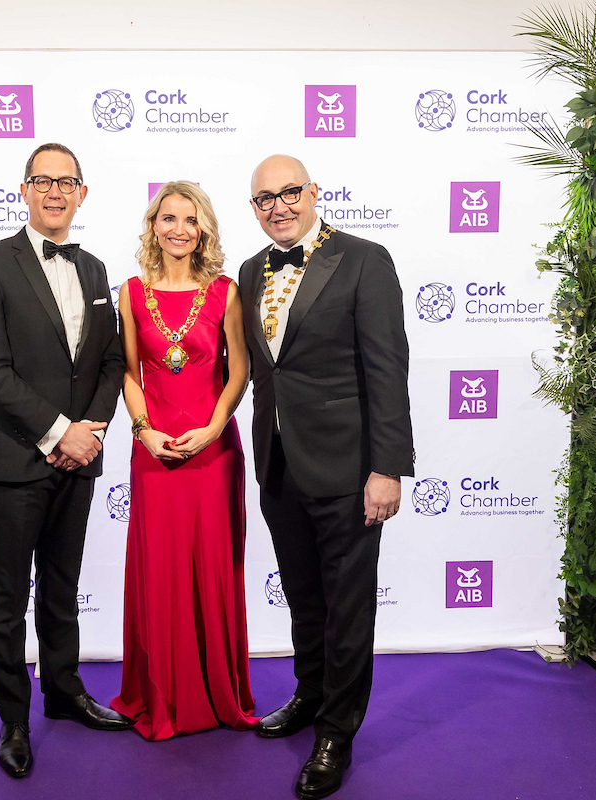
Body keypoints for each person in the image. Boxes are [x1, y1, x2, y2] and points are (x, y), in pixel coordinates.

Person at [238, 156, 414, 800]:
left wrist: (387, 468)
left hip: (348, 468)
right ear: (253, 208)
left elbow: (387, 369)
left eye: (289, 192)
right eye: (264, 198)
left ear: (314, 192)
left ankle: (337, 733)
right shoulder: (250, 272)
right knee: (304, 597)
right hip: (279, 462)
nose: (278, 206)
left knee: (347, 607)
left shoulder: (365, 260)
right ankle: (309, 695)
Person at [0, 142, 133, 779]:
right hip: (15, 459)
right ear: (24, 190)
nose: (55, 192)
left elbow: (111, 360)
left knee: (61, 588)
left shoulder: (95, 269)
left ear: (82, 194)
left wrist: (89, 432)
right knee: (7, 597)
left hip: (78, 460)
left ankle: (63, 692)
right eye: (43, 181)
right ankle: (14, 720)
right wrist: (59, 433)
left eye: (67, 182)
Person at [109, 181, 259, 741]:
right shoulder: (130, 293)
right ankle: (161, 696)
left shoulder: (225, 291)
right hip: (154, 451)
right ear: (153, 226)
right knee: (160, 571)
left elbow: (239, 370)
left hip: (213, 451)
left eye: (190, 220)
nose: (178, 229)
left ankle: (217, 693)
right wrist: (143, 430)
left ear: (204, 230)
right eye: (168, 218)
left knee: (213, 570)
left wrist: (214, 429)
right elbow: (129, 373)